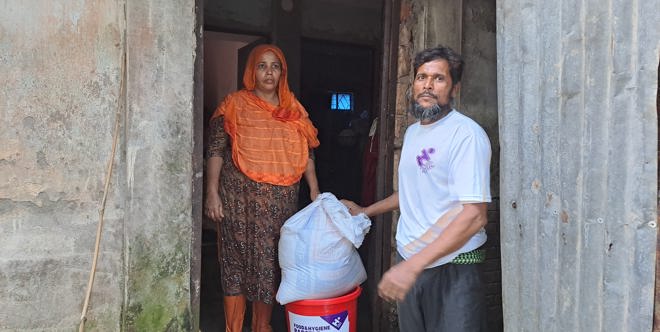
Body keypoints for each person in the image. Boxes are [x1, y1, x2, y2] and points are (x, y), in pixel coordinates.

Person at [343, 45, 491, 331]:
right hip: (410, 259)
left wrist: (410, 268)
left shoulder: (466, 135)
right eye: (422, 77)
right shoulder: (413, 133)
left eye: (439, 78)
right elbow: (412, 193)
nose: (427, 85)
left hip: (453, 266)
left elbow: (475, 215)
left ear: (455, 89)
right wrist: (366, 211)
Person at [205, 44, 320, 332]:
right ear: (251, 71)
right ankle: (233, 328)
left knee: (269, 268)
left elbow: (306, 153)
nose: (269, 72)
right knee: (235, 265)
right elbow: (216, 149)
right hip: (237, 201)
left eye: (275, 66)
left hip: (278, 205)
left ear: (283, 72)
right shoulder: (234, 104)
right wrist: (212, 192)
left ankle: (262, 327)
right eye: (262, 65)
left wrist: (315, 191)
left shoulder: (293, 109)